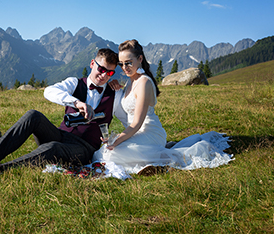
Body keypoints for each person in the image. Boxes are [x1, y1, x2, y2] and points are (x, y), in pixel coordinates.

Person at [0, 48, 119, 177]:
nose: (104, 75)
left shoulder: (115, 94)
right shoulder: (75, 83)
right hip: (62, 135)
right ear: (93, 64)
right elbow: (49, 91)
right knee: (33, 115)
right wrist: (76, 102)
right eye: (102, 69)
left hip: (84, 148)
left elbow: (131, 117)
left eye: (110, 72)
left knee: (53, 147)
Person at [92, 40, 232, 175]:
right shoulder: (130, 81)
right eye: (121, 64)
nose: (124, 67)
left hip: (149, 132)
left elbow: (137, 123)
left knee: (110, 154)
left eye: (128, 63)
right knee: (103, 152)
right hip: (135, 133)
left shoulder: (144, 82)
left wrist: (119, 139)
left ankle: (161, 161)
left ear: (140, 59)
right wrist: (115, 87)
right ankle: (155, 157)